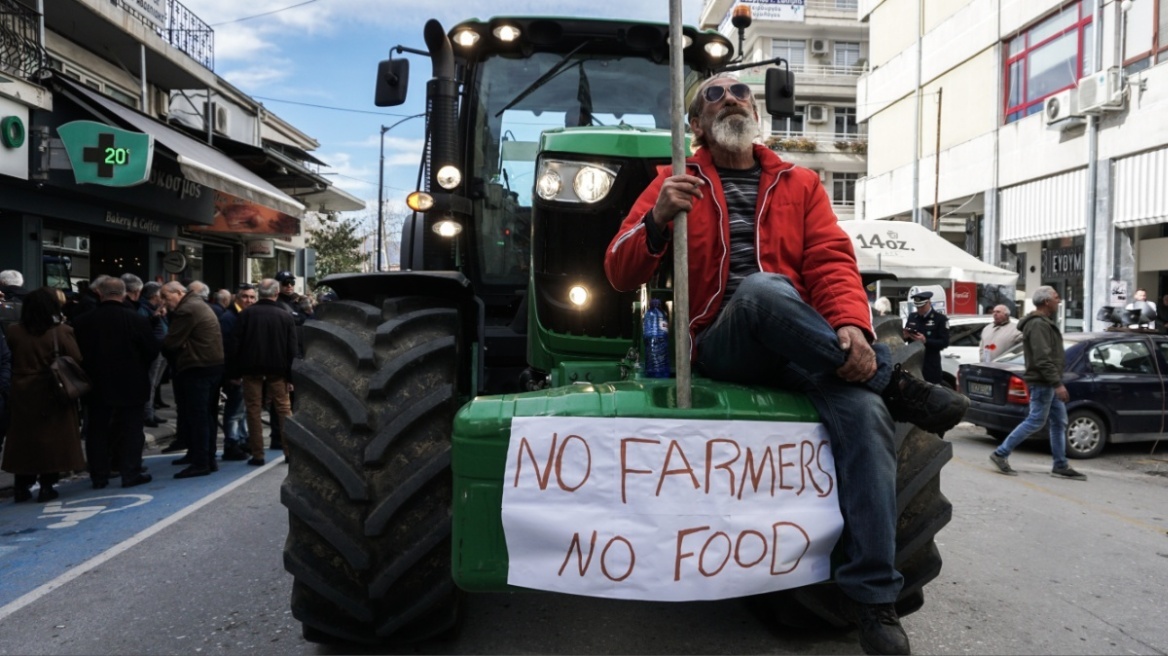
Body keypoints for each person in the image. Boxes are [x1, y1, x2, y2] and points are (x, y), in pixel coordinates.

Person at [605, 75, 968, 656]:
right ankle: (895, 383)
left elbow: (829, 262)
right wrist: (654, 223)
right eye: (714, 96)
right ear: (696, 125)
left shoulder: (800, 183)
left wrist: (851, 326)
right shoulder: (673, 183)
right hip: (721, 343)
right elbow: (618, 271)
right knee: (764, 292)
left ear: (756, 111)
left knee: (867, 418)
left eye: (741, 93)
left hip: (801, 349)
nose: (732, 100)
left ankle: (874, 600)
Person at [988, 286, 1087, 481]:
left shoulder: (1042, 323)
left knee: (1059, 421)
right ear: (1047, 302)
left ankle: (1060, 464)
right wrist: (1057, 383)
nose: (1059, 301)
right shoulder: (1039, 325)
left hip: (1047, 381)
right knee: (1036, 420)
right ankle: (1000, 453)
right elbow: (1042, 358)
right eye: (1056, 298)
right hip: (1043, 381)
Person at [1, 288, 86, 502]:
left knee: (23, 439)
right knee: (54, 440)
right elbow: (75, 357)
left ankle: (22, 485)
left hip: (21, 390)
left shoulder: (14, 331)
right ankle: (47, 485)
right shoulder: (62, 331)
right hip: (52, 390)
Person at [73, 276, 157, 489]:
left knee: (97, 431)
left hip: (97, 383)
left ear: (100, 293)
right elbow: (151, 350)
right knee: (131, 430)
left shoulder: (83, 321)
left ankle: (99, 475)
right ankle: (130, 472)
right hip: (131, 382)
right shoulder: (136, 319)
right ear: (123, 294)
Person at [229, 279, 298, 466]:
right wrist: (291, 377)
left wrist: (234, 373)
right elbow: (292, 349)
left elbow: (235, 345)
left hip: (251, 369)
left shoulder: (246, 314)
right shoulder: (285, 316)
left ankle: (258, 454)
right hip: (278, 370)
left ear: (259, 293)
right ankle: (290, 452)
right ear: (276, 293)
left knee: (253, 410)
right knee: (284, 409)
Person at [161, 281, 225, 478]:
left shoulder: (186, 310)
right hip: (211, 367)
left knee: (198, 417)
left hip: (198, 368)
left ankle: (201, 462)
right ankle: (206, 457)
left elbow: (171, 342)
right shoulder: (197, 304)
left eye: (166, 297)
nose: (164, 302)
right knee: (207, 415)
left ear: (179, 292)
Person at [218, 283, 258, 461]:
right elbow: (228, 348)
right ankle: (232, 444)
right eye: (245, 296)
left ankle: (241, 440)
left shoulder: (246, 315)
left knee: (241, 410)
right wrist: (232, 375)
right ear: (236, 297)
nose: (248, 300)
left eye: (251, 297)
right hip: (236, 373)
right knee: (234, 411)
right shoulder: (229, 317)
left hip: (245, 372)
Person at [139, 282, 169, 428]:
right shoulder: (144, 309)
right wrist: (155, 317)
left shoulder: (154, 309)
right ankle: (147, 414)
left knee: (154, 383)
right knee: (150, 383)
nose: (162, 298)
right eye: (160, 295)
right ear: (153, 295)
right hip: (154, 350)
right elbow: (144, 329)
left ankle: (150, 411)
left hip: (161, 349)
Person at [903, 291, 950, 385]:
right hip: (914, 364)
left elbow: (944, 342)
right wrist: (905, 337)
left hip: (930, 364)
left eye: (922, 307)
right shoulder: (913, 317)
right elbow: (906, 337)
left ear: (929, 303)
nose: (919, 309)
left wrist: (926, 341)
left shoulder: (940, 319)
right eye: (917, 307)